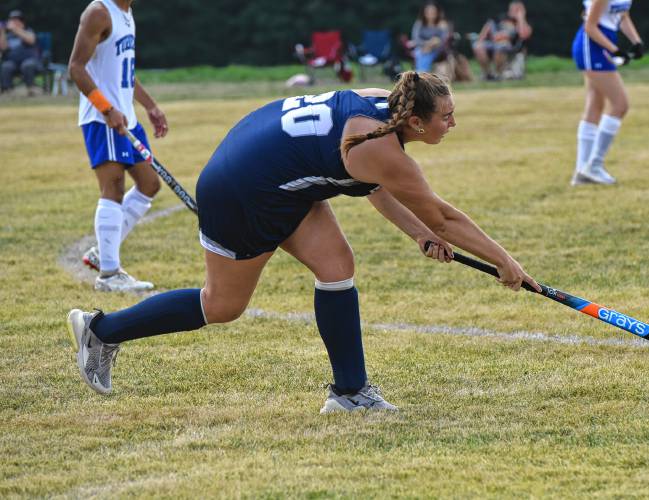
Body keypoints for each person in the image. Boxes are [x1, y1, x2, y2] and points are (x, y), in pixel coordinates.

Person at [66, 71, 543, 414]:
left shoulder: (383, 107)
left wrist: (417, 233)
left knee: (336, 265)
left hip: (268, 162)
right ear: (415, 121)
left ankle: (349, 391)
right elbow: (442, 217)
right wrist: (505, 261)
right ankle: (101, 331)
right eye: (447, 116)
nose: (452, 124)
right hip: (245, 189)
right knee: (223, 304)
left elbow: (376, 187)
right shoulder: (381, 147)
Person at [68, 0, 168, 291]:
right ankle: (109, 274)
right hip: (104, 119)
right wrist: (106, 108)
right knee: (113, 187)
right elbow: (76, 67)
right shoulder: (99, 12)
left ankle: (102, 252)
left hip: (128, 116)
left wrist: (150, 106)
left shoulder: (127, 13)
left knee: (150, 185)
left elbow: (124, 70)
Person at [569, 0, 643, 186]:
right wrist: (616, 50)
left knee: (595, 106)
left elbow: (622, 14)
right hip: (592, 46)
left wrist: (636, 41)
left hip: (603, 45)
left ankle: (582, 171)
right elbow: (590, 27)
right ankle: (594, 165)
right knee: (620, 105)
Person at [472, 2, 532, 81]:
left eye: (518, 9)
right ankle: (488, 74)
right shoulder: (501, 18)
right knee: (478, 46)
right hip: (493, 43)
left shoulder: (523, 23)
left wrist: (520, 18)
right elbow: (488, 28)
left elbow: (523, 35)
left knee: (501, 45)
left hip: (510, 46)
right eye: (513, 9)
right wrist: (481, 38)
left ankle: (498, 74)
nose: (514, 11)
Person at [0, 10, 42, 96]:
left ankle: (31, 89)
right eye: (12, 20)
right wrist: (2, 31)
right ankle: (7, 90)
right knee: (6, 66)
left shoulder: (28, 31)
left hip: (30, 61)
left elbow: (31, 40)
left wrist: (16, 30)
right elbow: (3, 47)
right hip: (14, 62)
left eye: (16, 20)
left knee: (27, 65)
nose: (13, 22)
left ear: (22, 22)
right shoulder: (9, 35)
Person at [409, 2, 449, 73]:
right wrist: (427, 44)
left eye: (433, 12)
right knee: (422, 53)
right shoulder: (419, 24)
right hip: (421, 48)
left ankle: (420, 74)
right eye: (428, 12)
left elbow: (444, 41)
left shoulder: (442, 24)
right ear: (424, 13)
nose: (430, 14)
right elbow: (416, 39)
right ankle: (422, 73)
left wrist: (431, 46)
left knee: (425, 53)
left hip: (437, 50)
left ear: (437, 13)